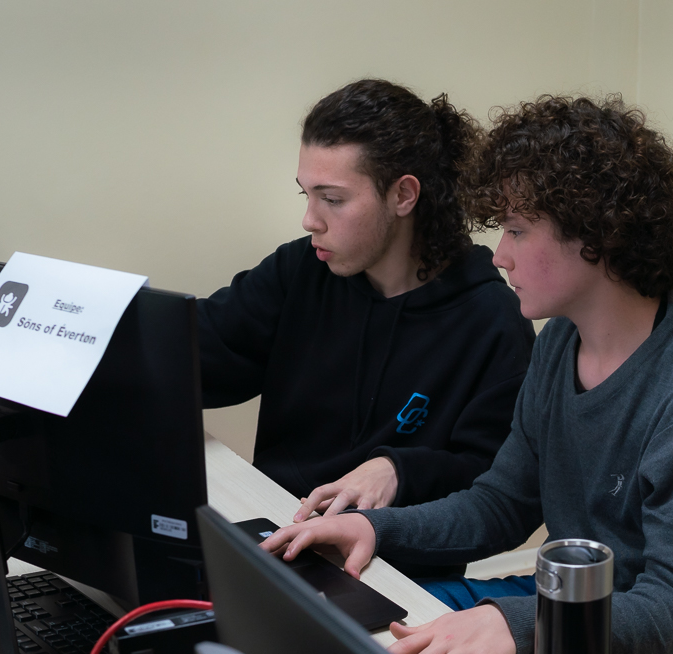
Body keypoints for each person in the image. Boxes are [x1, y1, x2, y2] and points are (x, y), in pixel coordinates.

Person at [262, 95, 673, 654]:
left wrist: (514, 624)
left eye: (515, 230)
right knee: (361, 642)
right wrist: (374, 528)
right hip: (567, 605)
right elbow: (500, 504)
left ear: (596, 235)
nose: (499, 254)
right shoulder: (561, 340)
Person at [198, 79, 535, 543]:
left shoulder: (490, 320)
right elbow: (200, 351)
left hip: (391, 562)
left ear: (403, 195)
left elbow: (496, 487)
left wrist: (399, 469)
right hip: (273, 531)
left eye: (332, 199)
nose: (310, 220)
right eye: (306, 195)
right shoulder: (300, 270)